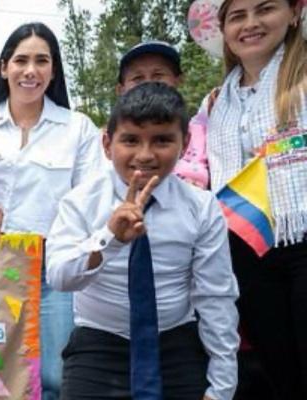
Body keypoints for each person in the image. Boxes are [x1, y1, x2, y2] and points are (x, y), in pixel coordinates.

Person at [46, 83, 239, 399]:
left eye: (162, 140)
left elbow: (216, 298)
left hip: (176, 343)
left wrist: (221, 387)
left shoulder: (202, 208)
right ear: (107, 144)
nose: (145, 155)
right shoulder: (79, 202)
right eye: (131, 140)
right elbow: (60, 277)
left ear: (185, 143)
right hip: (99, 345)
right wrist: (109, 238)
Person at [0, 22, 106, 399]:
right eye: (21, 60)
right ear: (4, 67)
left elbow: (92, 197)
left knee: (55, 374)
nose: (30, 70)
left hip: (53, 268)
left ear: (53, 71)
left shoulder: (77, 128)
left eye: (41, 61)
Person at [198, 0, 307, 397]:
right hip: (245, 248)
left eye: (265, 9)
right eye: (237, 16)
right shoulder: (214, 103)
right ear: (223, 28)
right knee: (279, 369)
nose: (251, 24)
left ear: (294, 12)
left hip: (302, 237)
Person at [116, 40, 212, 189]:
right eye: (137, 78)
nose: (149, 83)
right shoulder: (114, 140)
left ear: (179, 80)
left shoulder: (204, 132)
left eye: (158, 75)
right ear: (120, 89)